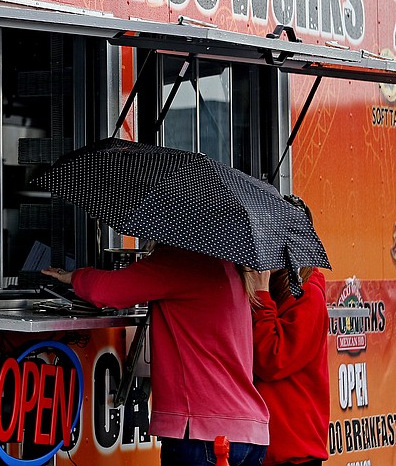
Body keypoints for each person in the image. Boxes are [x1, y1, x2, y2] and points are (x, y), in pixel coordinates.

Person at [43, 246, 269, 466]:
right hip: (248, 433)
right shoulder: (226, 263)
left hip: (201, 433)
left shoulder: (180, 259)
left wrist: (75, 275)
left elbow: (105, 291)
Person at [248, 195, 329, 466]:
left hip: (294, 453)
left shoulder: (309, 295)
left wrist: (259, 294)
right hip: (268, 449)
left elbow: (272, 359)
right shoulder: (278, 287)